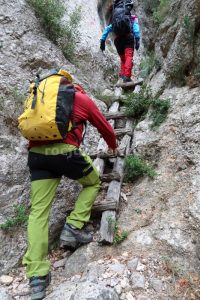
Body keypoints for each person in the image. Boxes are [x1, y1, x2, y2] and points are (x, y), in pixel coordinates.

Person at [22, 74, 118, 300]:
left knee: (38, 213)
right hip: (65, 153)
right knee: (92, 182)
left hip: (37, 157)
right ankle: (73, 226)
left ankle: (36, 277)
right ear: (72, 84)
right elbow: (103, 126)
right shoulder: (79, 97)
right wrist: (113, 145)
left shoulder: (39, 100)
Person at [100, 0, 141, 83]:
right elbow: (136, 28)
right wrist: (137, 40)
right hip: (128, 37)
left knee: (123, 59)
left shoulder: (115, 20)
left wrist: (102, 41)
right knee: (128, 57)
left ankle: (122, 74)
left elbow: (107, 29)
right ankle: (127, 76)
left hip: (118, 40)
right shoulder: (132, 18)